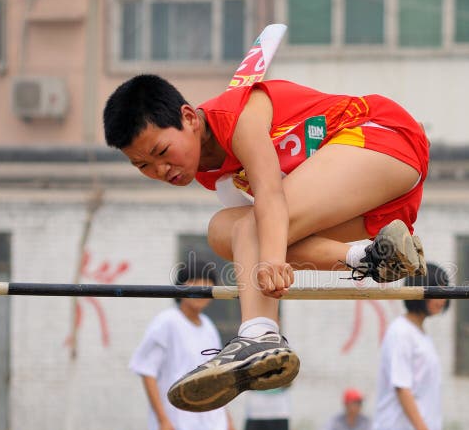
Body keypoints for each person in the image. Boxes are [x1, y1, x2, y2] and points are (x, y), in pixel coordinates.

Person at [103, 75, 429, 412]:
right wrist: (268, 250)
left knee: (255, 229)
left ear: (188, 117)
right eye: (143, 165)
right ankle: (372, 258)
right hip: (371, 198)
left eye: (161, 152)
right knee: (222, 231)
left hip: (379, 137)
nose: (161, 169)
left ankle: (259, 334)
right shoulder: (207, 167)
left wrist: (272, 258)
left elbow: (270, 194)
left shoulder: (238, 117)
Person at [129, 260, 252, 430]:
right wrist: (162, 420)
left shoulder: (208, 327)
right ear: (181, 287)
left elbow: (215, 377)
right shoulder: (166, 323)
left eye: (207, 282)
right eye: (194, 281)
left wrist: (227, 420)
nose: (201, 288)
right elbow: (146, 370)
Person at [372, 263, 454, 430]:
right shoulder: (400, 332)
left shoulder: (419, 333)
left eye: (445, 291)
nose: (442, 299)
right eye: (436, 291)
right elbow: (401, 387)